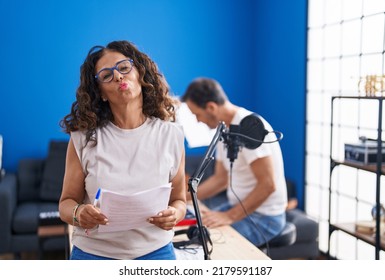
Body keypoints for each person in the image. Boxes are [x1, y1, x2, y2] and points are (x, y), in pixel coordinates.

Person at [59, 40, 187, 260]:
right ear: (101, 93)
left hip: (156, 252)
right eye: (107, 75)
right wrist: (79, 213)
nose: (118, 76)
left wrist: (174, 214)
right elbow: (66, 204)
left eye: (124, 68)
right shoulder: (83, 139)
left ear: (140, 74)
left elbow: (179, 201)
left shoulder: (171, 135)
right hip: (94, 254)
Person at [181, 77, 288, 247]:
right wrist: (183, 198)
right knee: (192, 232)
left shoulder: (250, 127)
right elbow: (220, 179)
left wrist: (229, 216)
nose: (197, 121)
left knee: (210, 246)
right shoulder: (226, 129)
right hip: (241, 209)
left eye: (197, 115)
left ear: (211, 107)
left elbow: (268, 184)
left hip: (264, 216)